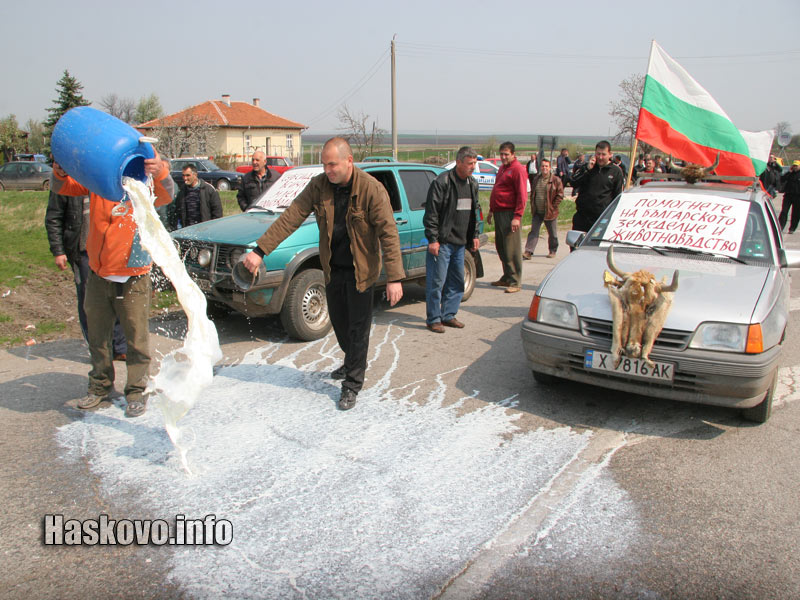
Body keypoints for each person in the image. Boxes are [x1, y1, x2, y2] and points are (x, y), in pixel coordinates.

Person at [242, 137, 404, 411]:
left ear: (348, 161)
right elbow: (291, 216)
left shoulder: (371, 190)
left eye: (332, 164)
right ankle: (351, 360)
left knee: (358, 328)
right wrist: (260, 250)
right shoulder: (319, 186)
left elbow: (388, 234)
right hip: (333, 269)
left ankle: (352, 384)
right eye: (324, 164)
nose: (327, 170)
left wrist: (395, 278)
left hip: (361, 272)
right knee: (340, 325)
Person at [51, 155, 174, 418]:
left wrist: (161, 170)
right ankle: (99, 386)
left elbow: (166, 195)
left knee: (136, 338)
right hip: (98, 273)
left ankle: (136, 391)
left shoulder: (143, 183)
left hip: (135, 275)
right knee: (98, 335)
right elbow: (66, 187)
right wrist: (61, 172)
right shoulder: (98, 181)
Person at [45, 190, 127, 360]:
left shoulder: (103, 178)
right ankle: (98, 350)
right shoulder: (68, 182)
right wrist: (58, 251)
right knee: (89, 301)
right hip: (83, 251)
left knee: (118, 295)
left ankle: (119, 346)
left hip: (110, 249)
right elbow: (54, 217)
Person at [422, 146, 481, 333]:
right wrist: (433, 239)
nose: (473, 167)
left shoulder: (472, 184)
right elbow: (431, 214)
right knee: (436, 282)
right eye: (470, 163)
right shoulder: (443, 183)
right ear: (459, 162)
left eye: (474, 163)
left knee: (456, 281)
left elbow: (474, 212)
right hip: (443, 243)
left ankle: (448, 315)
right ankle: (433, 319)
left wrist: (475, 236)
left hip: (460, 244)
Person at [487, 141, 527, 293]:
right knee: (501, 246)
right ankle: (506, 277)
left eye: (506, 154)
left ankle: (515, 281)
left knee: (512, 248)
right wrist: (491, 210)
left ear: (513, 154)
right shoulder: (502, 169)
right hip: (499, 212)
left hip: (510, 213)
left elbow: (522, 195)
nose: (503, 157)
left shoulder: (517, 169)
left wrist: (517, 216)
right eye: (501, 154)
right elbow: (497, 189)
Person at [570, 140, 624, 233]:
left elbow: (618, 196)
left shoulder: (616, 171)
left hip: (601, 218)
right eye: (598, 154)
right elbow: (573, 182)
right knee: (577, 246)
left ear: (610, 154)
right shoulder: (587, 168)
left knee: (596, 247)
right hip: (582, 217)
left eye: (603, 154)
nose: (600, 157)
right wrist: (587, 169)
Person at [523, 158, 563, 260]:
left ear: (550, 168)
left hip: (550, 212)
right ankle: (528, 251)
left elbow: (560, 195)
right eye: (542, 166)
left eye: (546, 166)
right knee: (534, 232)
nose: (544, 168)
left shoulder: (556, 180)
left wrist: (553, 206)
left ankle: (552, 250)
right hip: (537, 211)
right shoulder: (536, 179)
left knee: (552, 233)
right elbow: (533, 194)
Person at [171, 164, 223, 229]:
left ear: (195, 175)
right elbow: (178, 212)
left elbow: (217, 212)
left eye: (188, 175)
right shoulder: (182, 191)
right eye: (183, 175)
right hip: (188, 230)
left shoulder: (208, 190)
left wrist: (212, 228)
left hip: (205, 229)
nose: (185, 178)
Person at [779, 161, 800, 234]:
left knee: (796, 213)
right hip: (788, 195)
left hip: (798, 197)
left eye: (796, 166)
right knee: (784, 211)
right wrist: (789, 172)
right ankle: (780, 227)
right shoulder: (790, 174)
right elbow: (782, 179)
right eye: (794, 165)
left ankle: (792, 228)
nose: (795, 167)